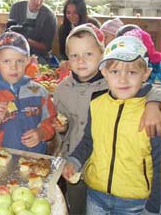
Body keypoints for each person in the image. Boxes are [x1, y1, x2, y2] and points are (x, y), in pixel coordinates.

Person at [53, 23, 161, 215]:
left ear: (146, 74)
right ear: (105, 72)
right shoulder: (97, 103)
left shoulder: (150, 112)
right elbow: (88, 140)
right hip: (96, 195)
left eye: (132, 72)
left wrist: (154, 207)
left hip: (134, 202)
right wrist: (74, 161)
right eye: (115, 72)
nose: (123, 79)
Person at [0, 31, 56, 154]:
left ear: (27, 61)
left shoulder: (39, 92)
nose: (13, 67)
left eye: (19, 61)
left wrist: (42, 133)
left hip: (35, 159)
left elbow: (51, 120)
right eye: (6, 61)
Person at [9, 0, 57, 64]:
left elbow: (46, 47)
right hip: (16, 52)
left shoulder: (49, 16)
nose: (38, 2)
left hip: (39, 56)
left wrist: (26, 40)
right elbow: (9, 32)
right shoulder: (16, 8)